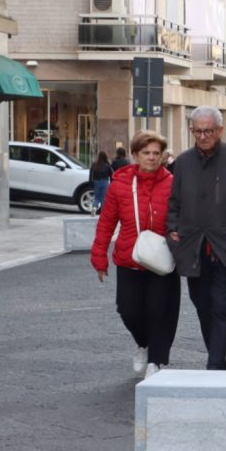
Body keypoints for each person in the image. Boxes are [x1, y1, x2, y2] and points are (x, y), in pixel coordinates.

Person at [167, 106, 226, 371]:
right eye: (198, 131)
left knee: (221, 307)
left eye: (208, 130)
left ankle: (215, 365)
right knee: (202, 306)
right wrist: (173, 231)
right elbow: (173, 204)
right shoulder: (183, 163)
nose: (203, 136)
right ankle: (218, 360)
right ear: (191, 131)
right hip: (193, 249)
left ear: (220, 130)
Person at [91, 131, 180, 379]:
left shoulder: (173, 183)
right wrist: (99, 256)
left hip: (163, 260)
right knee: (128, 310)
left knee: (161, 310)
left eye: (156, 153)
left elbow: (184, 218)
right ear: (135, 155)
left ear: (162, 156)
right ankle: (143, 343)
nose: (151, 158)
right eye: (146, 153)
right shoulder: (120, 184)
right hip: (130, 259)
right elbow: (106, 223)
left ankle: (157, 361)